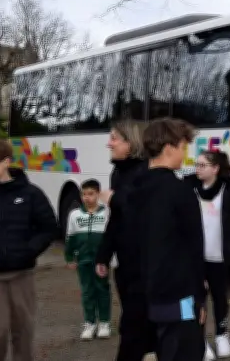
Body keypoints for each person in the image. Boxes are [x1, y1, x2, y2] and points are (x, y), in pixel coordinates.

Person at [127, 118, 207, 360]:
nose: (185, 155)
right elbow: (194, 249)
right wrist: (199, 299)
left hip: (145, 298)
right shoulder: (180, 192)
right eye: (183, 147)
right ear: (169, 148)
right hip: (179, 297)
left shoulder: (132, 191)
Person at [0, 137, 58, 361]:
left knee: (23, 331)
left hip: (21, 274)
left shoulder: (31, 194)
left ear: (6, 162)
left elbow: (48, 228)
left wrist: (28, 251)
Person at [94, 120, 157, 361]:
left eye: (114, 138)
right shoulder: (117, 172)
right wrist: (103, 254)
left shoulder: (146, 172)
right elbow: (117, 219)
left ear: (131, 144)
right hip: (126, 265)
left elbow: (140, 213)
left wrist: (115, 199)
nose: (108, 143)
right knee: (137, 324)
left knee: (133, 327)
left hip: (144, 266)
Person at [184, 150, 230, 359]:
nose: (198, 169)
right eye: (197, 164)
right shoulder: (189, 188)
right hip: (194, 258)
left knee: (220, 297)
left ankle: (222, 334)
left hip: (219, 257)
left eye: (203, 165)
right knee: (195, 300)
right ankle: (197, 340)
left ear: (215, 168)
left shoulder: (229, 191)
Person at [64, 179, 112, 340]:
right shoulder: (75, 215)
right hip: (83, 260)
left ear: (98, 194)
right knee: (86, 291)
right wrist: (69, 256)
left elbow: (111, 237)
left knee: (102, 289)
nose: (87, 198)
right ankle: (89, 323)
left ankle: (104, 322)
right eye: (84, 194)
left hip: (101, 261)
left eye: (91, 194)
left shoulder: (106, 213)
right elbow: (70, 237)